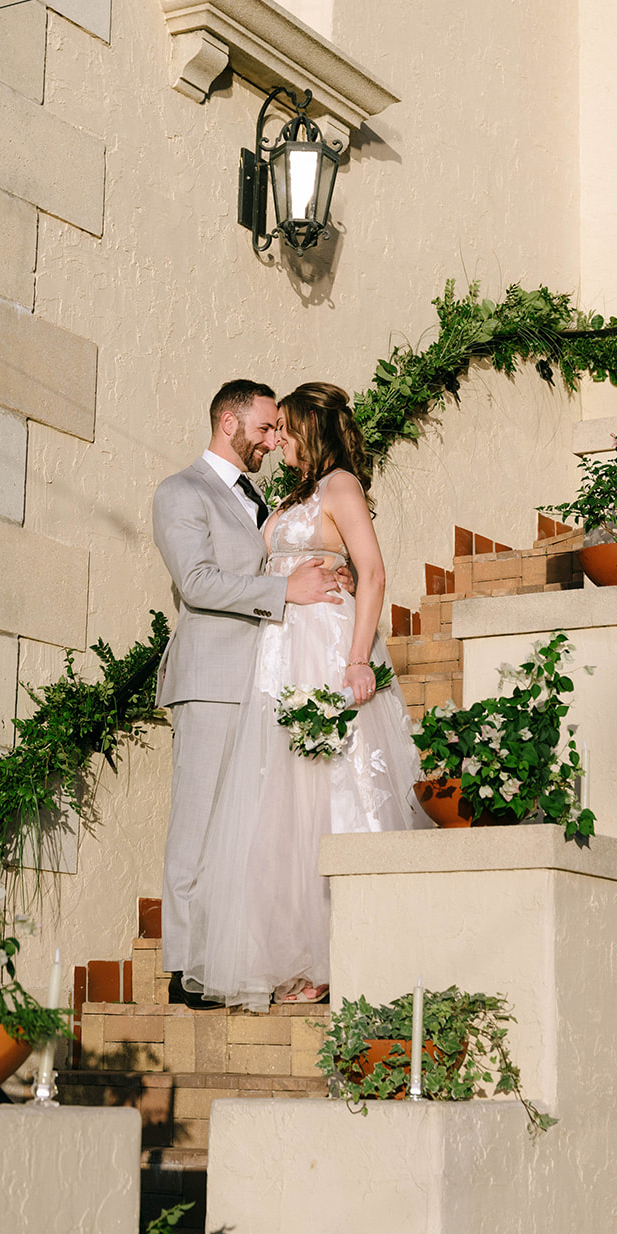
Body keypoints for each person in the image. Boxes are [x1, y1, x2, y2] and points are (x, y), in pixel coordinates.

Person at [185, 382, 427, 1012]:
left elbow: (371, 571)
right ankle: (296, 954)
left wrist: (356, 658)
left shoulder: (340, 486)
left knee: (334, 795)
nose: (278, 438)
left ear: (309, 429)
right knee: (281, 806)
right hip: (278, 655)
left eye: (285, 427)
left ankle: (342, 952)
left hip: (324, 649)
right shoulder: (287, 495)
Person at [152, 379, 346, 1007]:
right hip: (211, 683)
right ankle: (185, 967)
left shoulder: (260, 499)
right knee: (198, 825)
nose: (272, 441)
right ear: (229, 422)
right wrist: (285, 592)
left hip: (264, 685)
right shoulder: (181, 491)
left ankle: (227, 957)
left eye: (277, 431)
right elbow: (199, 582)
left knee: (246, 831)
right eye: (264, 428)